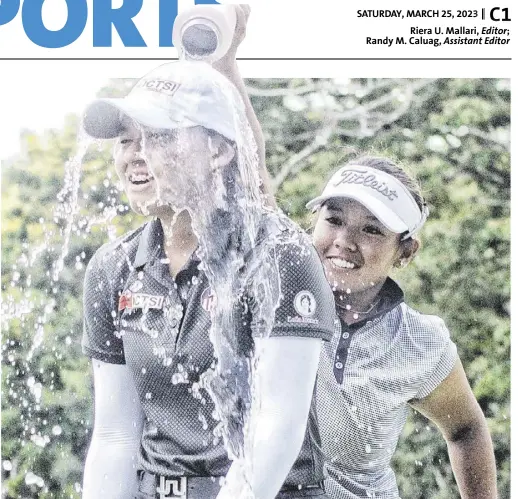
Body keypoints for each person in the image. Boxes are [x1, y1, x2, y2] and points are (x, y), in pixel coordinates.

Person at [80, 6, 336, 499]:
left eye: (157, 136)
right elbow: (114, 437)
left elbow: (272, 431)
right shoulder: (113, 268)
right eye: (126, 139)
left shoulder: (276, 254)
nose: (134, 155)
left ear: (219, 150)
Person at [304, 156, 498, 498]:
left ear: (405, 252)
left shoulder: (419, 342)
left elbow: (466, 429)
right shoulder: (269, 300)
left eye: (372, 229)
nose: (345, 240)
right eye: (334, 220)